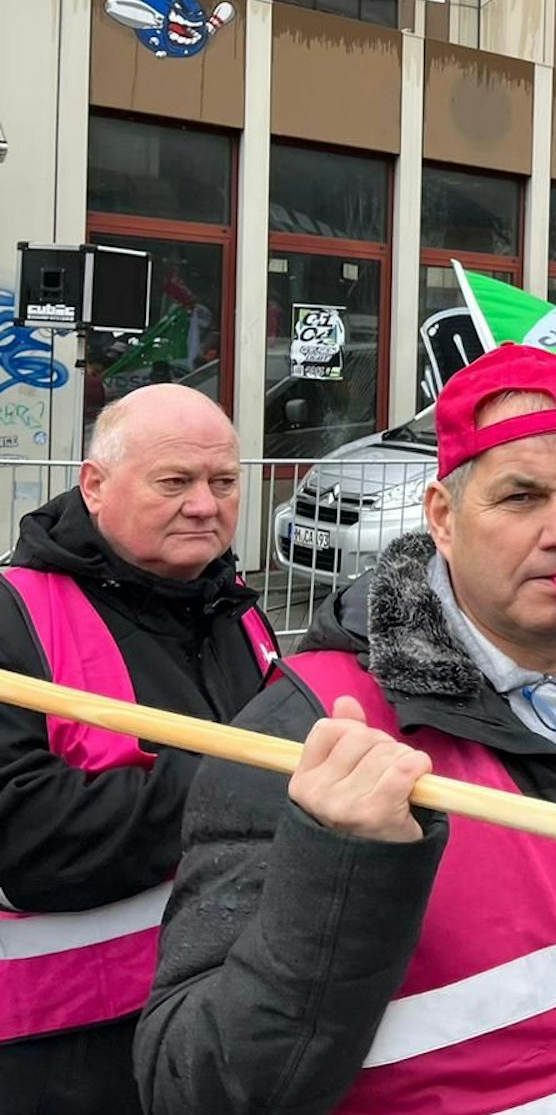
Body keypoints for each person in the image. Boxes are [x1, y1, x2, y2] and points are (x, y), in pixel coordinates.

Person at [135, 346, 556, 1114]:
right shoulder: (314, 727)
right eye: (520, 497)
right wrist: (336, 866)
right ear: (444, 519)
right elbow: (194, 1085)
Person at [0, 386, 276, 1115]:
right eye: (175, 481)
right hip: (64, 1051)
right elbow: (23, 835)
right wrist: (239, 781)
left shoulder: (238, 613)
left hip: (224, 1017)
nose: (204, 504)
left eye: (223, 482)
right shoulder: (15, 614)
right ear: (94, 484)